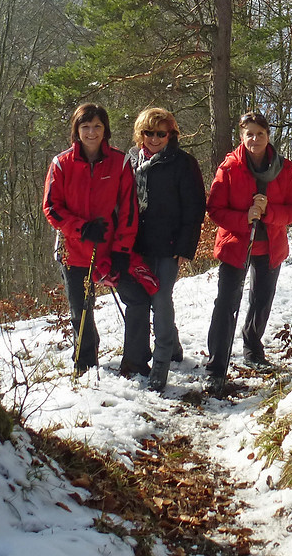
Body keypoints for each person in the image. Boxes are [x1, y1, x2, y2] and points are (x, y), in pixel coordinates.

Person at [204, 110, 292, 396]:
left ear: (268, 136)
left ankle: (253, 350)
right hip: (236, 245)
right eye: (249, 134)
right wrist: (245, 217)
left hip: (270, 246)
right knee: (226, 304)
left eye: (260, 133)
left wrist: (268, 212)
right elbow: (215, 209)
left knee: (261, 301)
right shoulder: (229, 168)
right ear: (241, 136)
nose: (255, 139)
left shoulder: (283, 168)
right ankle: (216, 368)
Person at [43, 102, 135, 374]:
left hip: (111, 248)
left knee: (137, 300)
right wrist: (80, 228)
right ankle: (85, 364)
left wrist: (122, 249)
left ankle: (138, 358)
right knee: (81, 310)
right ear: (77, 130)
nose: (91, 132)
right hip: (73, 250)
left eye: (97, 126)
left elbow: (129, 210)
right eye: (85, 127)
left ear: (105, 129)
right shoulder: (61, 164)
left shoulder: (120, 162)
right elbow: (51, 207)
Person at [118, 107, 205, 392]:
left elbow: (194, 208)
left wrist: (185, 246)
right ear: (140, 134)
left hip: (169, 245)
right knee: (146, 299)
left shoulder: (183, 163)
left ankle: (161, 362)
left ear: (171, 135)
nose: (154, 139)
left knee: (161, 298)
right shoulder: (131, 161)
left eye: (161, 133)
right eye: (148, 133)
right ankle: (175, 347)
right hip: (137, 244)